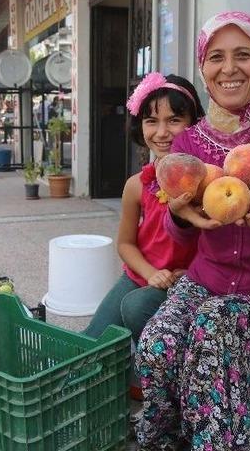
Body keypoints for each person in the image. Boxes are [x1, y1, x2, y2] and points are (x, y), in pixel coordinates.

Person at [134, 11, 250, 450]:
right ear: (203, 67)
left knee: (215, 326)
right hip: (208, 283)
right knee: (158, 343)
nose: (229, 68)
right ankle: (164, 439)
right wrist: (182, 216)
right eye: (216, 57)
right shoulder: (189, 144)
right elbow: (180, 232)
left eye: (243, 55)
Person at [83, 72, 202, 345]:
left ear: (194, 123)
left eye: (174, 120)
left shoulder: (205, 182)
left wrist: (195, 273)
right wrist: (150, 274)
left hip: (185, 282)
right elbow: (125, 244)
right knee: (90, 342)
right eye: (151, 121)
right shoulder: (136, 185)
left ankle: (151, 362)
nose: (161, 132)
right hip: (140, 273)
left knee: (136, 309)